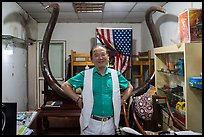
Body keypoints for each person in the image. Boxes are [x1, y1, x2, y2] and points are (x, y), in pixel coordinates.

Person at [61, 45, 133, 135]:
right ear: (92, 59)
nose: (100, 58)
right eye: (96, 55)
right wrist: (77, 99)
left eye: (103, 54)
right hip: (90, 124)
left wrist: (122, 100)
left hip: (110, 124)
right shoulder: (85, 75)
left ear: (108, 57)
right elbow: (65, 86)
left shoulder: (116, 75)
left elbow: (129, 87)